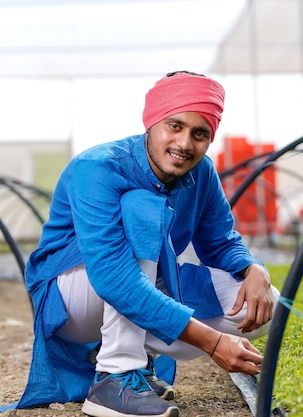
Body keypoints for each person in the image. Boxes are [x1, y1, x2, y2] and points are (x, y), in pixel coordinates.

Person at [9, 71, 279, 417]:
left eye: (200, 134)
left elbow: (220, 242)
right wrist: (212, 343)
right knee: (141, 208)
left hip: (137, 283)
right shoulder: (98, 168)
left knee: (263, 305)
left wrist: (253, 268)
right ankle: (115, 375)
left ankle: (136, 358)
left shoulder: (202, 173)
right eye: (175, 126)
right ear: (151, 121)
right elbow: (113, 278)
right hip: (70, 298)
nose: (185, 144)